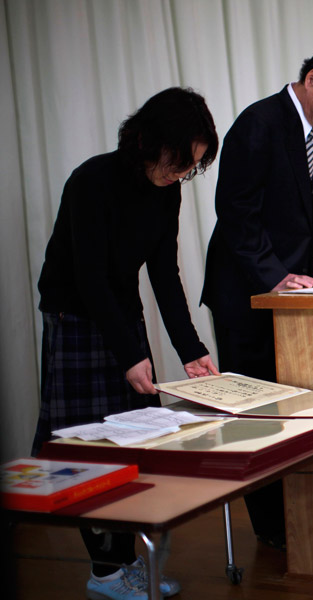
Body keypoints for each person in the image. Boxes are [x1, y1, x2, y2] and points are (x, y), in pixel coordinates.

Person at [33, 87, 220, 599]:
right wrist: (130, 352)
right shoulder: (93, 180)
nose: (181, 173)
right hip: (77, 316)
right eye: (179, 161)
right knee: (90, 447)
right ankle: (105, 574)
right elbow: (90, 277)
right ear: (149, 140)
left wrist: (190, 348)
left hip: (120, 316)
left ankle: (124, 565)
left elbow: (163, 272)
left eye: (192, 167)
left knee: (135, 446)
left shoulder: (167, 189)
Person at [201, 45, 313, 548]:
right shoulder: (258, 123)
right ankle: (271, 530)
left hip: (288, 294)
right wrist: (273, 276)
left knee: (293, 406)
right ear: (311, 79)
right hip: (246, 293)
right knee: (258, 410)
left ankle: (295, 516)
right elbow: (236, 213)